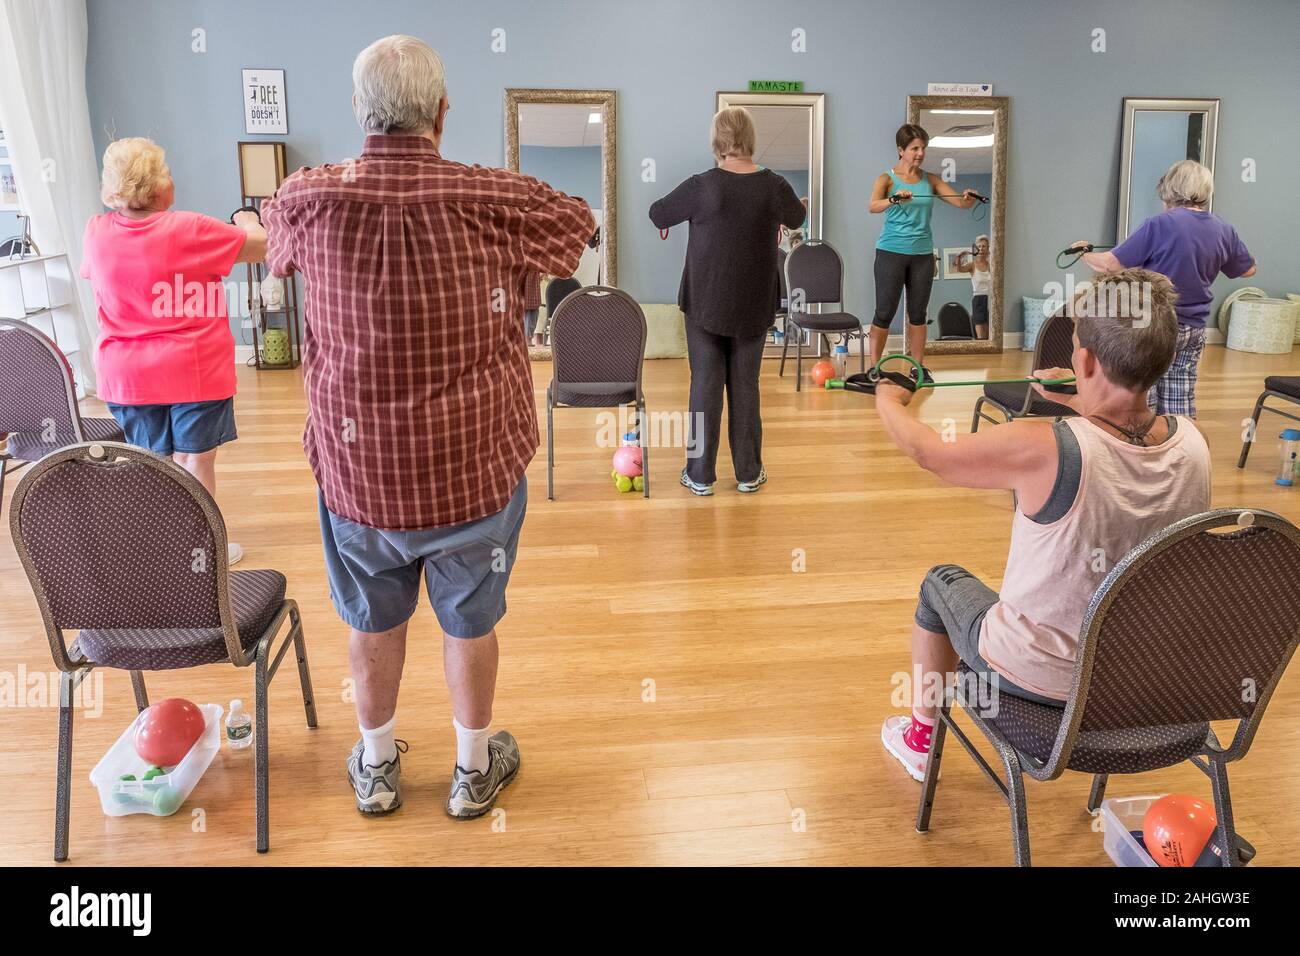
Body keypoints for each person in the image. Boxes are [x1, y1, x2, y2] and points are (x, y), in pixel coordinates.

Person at [261, 35, 594, 817]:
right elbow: (578, 225)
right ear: (443, 114)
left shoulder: (309, 196)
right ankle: (473, 771)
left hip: (358, 477)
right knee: (469, 620)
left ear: (358, 111)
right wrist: (516, 272)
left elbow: (274, 240)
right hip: (473, 471)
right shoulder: (495, 198)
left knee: (372, 622)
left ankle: (377, 768)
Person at [873, 269, 1211, 781]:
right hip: (1147, 677)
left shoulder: (1046, 446)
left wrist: (887, 397)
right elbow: (1123, 443)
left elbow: (929, 452)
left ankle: (920, 740)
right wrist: (1083, 401)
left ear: (1087, 361)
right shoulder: (1195, 443)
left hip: (1045, 680)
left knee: (939, 584)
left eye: (1076, 345)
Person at [81, 137, 266, 566]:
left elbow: (100, 276)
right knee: (195, 458)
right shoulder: (190, 228)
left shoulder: (95, 231)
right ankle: (200, 555)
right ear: (156, 187)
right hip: (193, 368)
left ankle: (164, 555)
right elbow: (261, 247)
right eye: (166, 172)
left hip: (127, 375)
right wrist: (247, 218)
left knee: (154, 462)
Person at [649, 106, 806, 496]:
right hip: (753, 305)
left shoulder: (702, 185)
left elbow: (658, 213)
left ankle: (700, 475)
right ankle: (749, 473)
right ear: (750, 140)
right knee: (745, 385)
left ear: (718, 142)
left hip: (704, 302)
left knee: (704, 383)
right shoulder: (774, 185)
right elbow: (798, 216)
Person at [1076, 159, 1256, 418]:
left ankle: (1142, 447)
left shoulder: (1159, 224)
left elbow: (1109, 266)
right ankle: (1180, 449)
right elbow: (1247, 269)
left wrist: (1084, 252)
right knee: (1180, 395)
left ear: (1170, 190)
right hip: (1194, 327)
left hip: (1156, 325)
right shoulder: (1223, 229)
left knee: (1142, 393)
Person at [867, 124, 981, 384]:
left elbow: (960, 203)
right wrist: (895, 199)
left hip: (921, 255)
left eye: (923, 148)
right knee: (884, 312)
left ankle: (918, 367)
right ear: (901, 150)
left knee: (918, 314)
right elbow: (873, 206)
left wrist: (968, 197)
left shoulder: (930, 180)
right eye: (914, 148)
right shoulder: (886, 179)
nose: (920, 153)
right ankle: (874, 367)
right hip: (891, 252)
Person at [954, 234, 992, 339]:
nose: (981, 248)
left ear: (988, 248)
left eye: (984, 246)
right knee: (981, 332)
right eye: (979, 246)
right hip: (978, 299)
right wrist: (959, 257)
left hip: (991, 299)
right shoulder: (972, 265)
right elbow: (959, 269)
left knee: (989, 333)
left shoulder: (991, 265)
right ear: (976, 248)